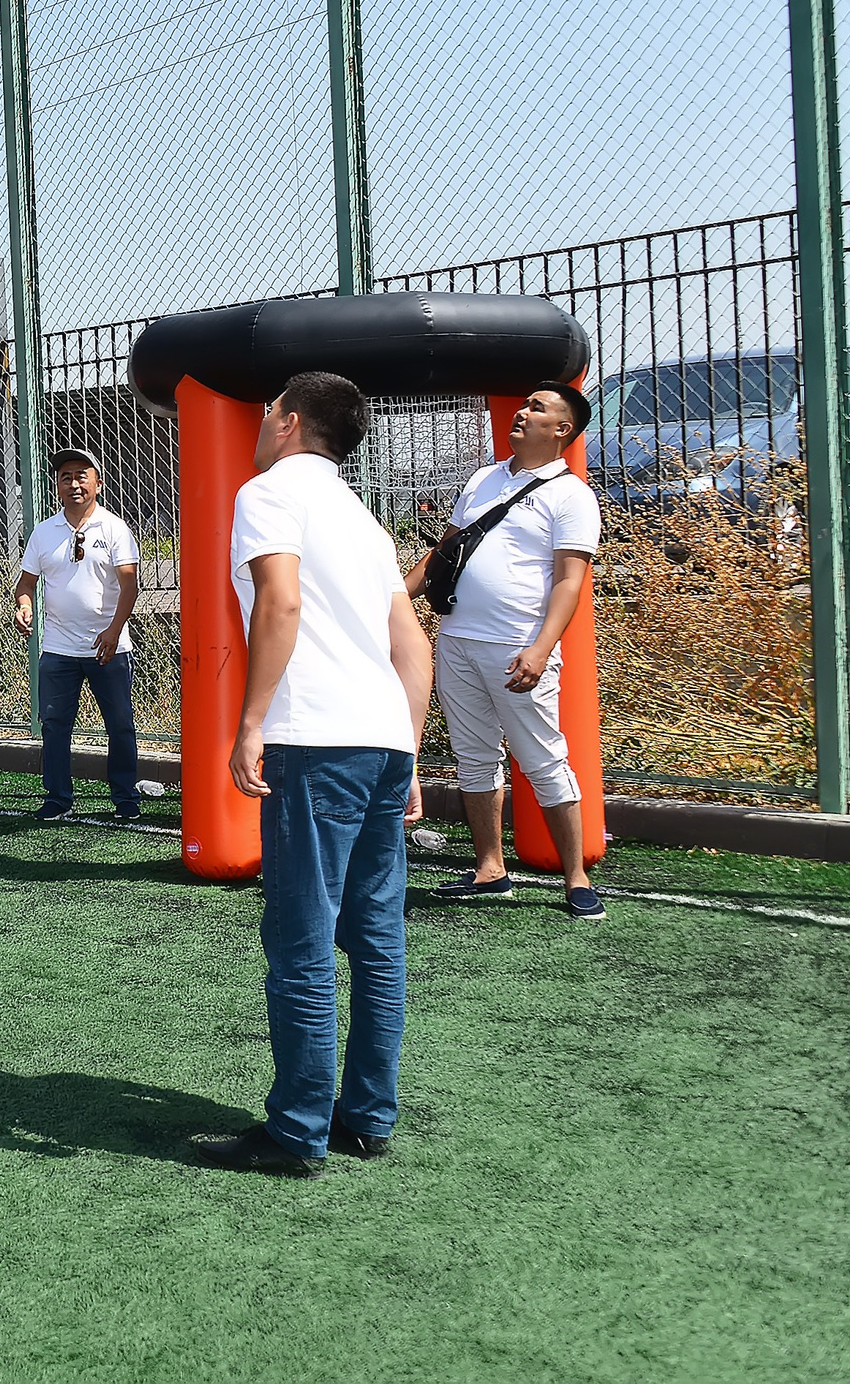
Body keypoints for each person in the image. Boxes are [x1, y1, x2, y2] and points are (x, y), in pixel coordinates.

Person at [193, 371, 432, 1177]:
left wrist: (253, 721)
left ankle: (296, 1130)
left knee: (300, 941)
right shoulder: (366, 521)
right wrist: (408, 751)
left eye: (269, 411)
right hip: (380, 741)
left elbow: (280, 604)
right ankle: (365, 1116)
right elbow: (414, 650)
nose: (262, 422)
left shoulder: (267, 493)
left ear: (289, 421)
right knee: (377, 938)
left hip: (314, 738)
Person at [408, 382, 605, 919]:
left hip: (519, 647)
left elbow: (570, 582)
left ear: (562, 429)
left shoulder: (571, 495)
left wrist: (542, 648)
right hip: (456, 640)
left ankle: (576, 878)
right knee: (474, 759)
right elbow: (444, 551)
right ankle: (489, 869)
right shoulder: (483, 478)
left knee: (544, 759)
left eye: (537, 409)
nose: (521, 413)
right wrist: (397, 599)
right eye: (524, 405)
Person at [12, 447, 143, 821]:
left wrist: (114, 631)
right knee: (53, 725)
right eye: (66, 477)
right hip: (57, 649)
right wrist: (24, 606)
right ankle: (57, 798)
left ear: (97, 484)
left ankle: (125, 798)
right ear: (57, 485)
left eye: (82, 476)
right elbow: (26, 584)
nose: (74, 484)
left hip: (108, 647)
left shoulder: (114, 528)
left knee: (119, 724)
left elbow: (130, 585)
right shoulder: (43, 532)